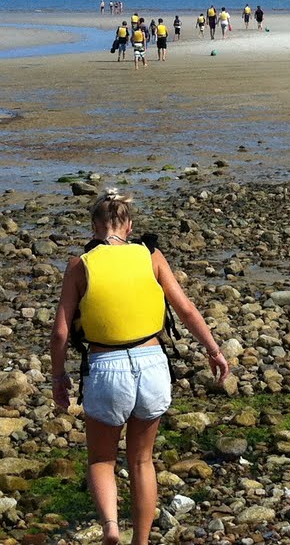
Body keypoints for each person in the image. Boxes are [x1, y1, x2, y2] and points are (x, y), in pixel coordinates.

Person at [51, 191, 230, 545]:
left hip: (106, 367)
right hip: (152, 364)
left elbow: (60, 333)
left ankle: (111, 527)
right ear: (129, 226)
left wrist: (59, 378)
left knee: (102, 460)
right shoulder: (151, 256)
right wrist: (214, 350)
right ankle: (141, 541)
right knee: (142, 461)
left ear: (94, 226)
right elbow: (186, 310)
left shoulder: (79, 265)